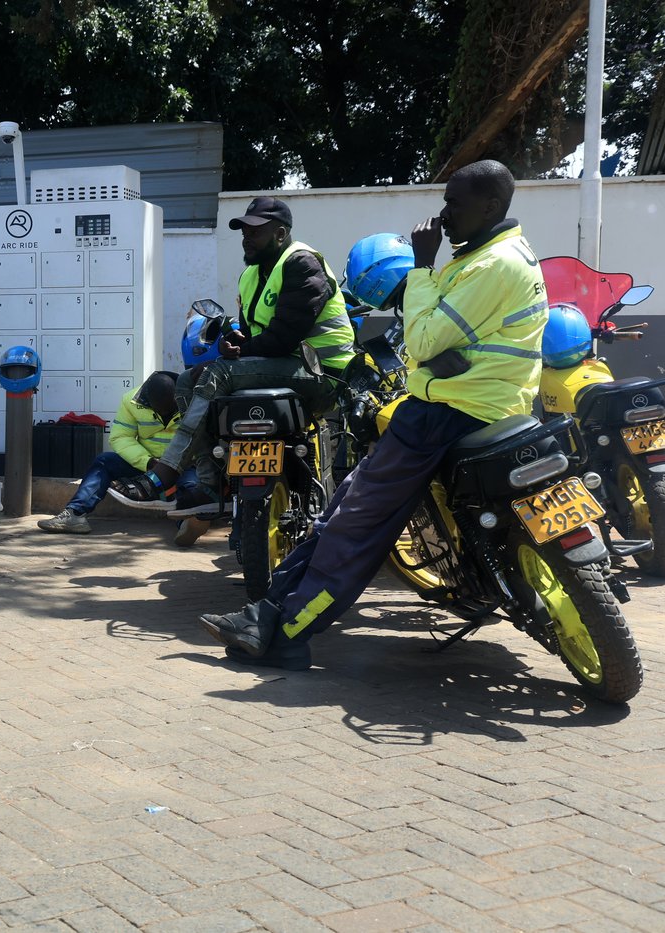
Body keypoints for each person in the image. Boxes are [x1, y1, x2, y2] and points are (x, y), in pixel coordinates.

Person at [199, 159, 547, 671]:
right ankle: (265, 612)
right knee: (338, 511)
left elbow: (424, 338)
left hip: (449, 412)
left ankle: (284, 628)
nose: (443, 213)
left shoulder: (488, 264)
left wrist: (423, 266)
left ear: (490, 205)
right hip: (490, 405)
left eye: (454, 202)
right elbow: (445, 338)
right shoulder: (502, 255)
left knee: (351, 523)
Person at [111, 196, 355, 515]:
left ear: (280, 234)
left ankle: (164, 474)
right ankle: (210, 484)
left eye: (255, 231)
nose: (246, 237)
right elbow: (256, 337)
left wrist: (239, 353)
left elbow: (283, 338)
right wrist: (234, 344)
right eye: (242, 231)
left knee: (221, 371)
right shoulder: (250, 276)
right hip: (279, 367)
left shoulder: (301, 263)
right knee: (187, 381)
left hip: (322, 373)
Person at [37, 372, 208, 546]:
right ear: (148, 402)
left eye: (170, 410)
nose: (164, 415)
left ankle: (189, 523)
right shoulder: (131, 401)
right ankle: (75, 514)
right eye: (159, 410)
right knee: (104, 461)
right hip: (147, 464)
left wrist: (178, 463)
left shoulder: (195, 399)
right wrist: (147, 462)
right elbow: (120, 437)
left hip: (184, 464)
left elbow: (206, 438)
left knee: (192, 486)